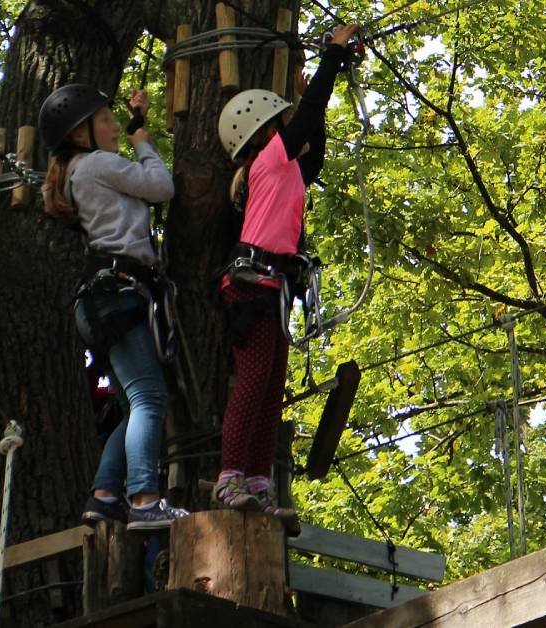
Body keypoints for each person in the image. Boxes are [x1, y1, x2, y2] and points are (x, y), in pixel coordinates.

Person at [212, 24, 361, 534]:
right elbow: (310, 119)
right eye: (282, 122)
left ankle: (255, 481)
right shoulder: (267, 162)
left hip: (272, 287)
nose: (290, 129)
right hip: (252, 286)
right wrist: (332, 56)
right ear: (263, 131)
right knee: (253, 384)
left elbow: (312, 143)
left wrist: (307, 93)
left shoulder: (288, 168)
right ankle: (230, 477)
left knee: (271, 388)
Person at [38, 84, 189, 531]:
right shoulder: (98, 164)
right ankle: (143, 498)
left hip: (101, 301)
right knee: (149, 397)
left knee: (131, 403)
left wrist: (137, 119)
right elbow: (162, 188)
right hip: (118, 295)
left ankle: (105, 496)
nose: (114, 128)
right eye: (105, 120)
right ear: (81, 133)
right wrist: (143, 142)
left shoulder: (77, 171)